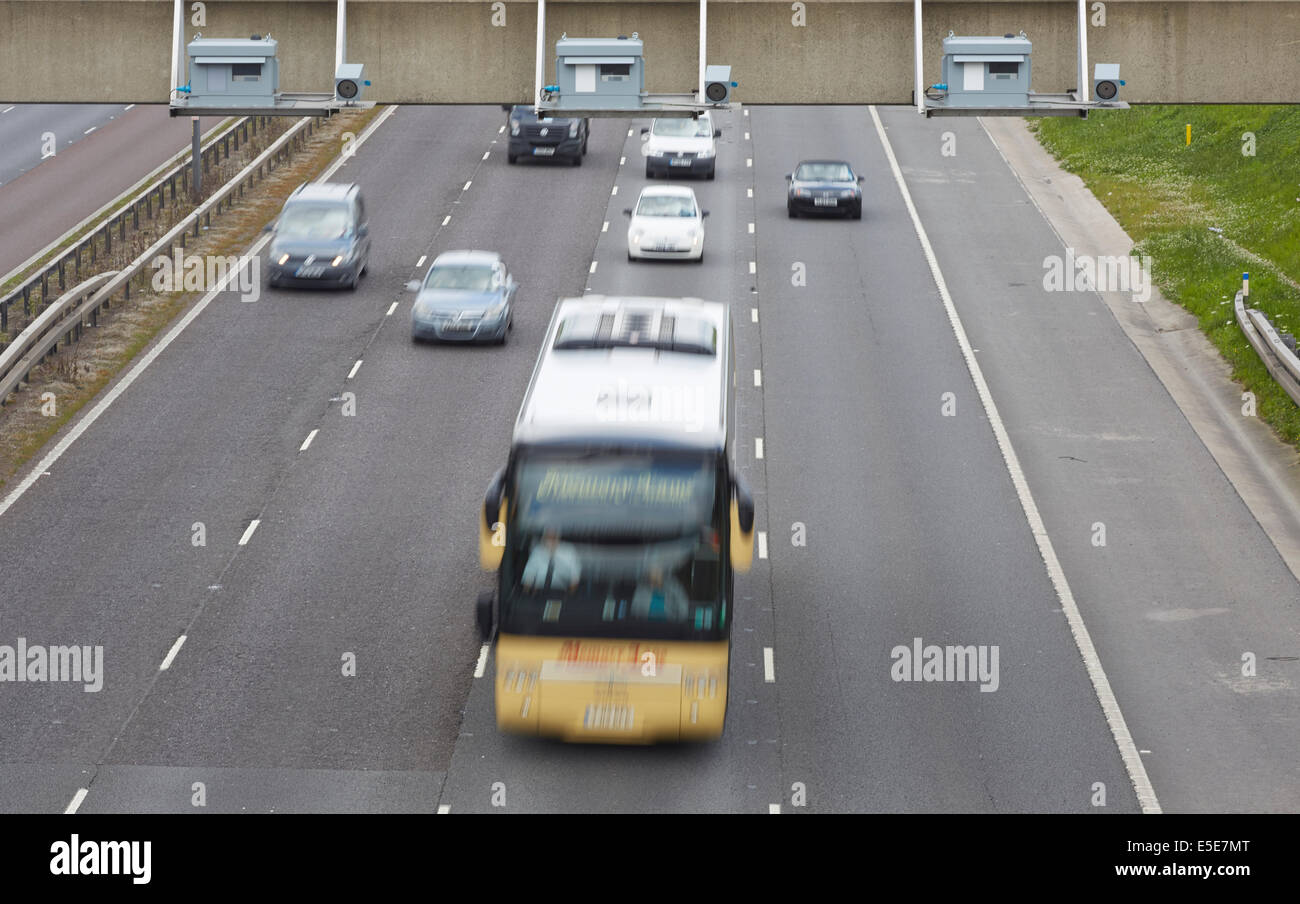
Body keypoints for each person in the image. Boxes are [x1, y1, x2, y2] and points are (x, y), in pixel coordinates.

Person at [521, 527, 581, 592]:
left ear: (558, 537)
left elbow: (575, 578)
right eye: (548, 537)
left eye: (554, 536)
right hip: (539, 592)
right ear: (543, 538)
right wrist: (527, 595)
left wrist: (570, 596)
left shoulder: (569, 551)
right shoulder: (537, 551)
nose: (551, 540)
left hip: (562, 592)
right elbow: (529, 575)